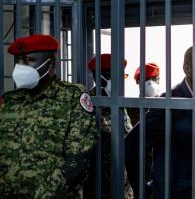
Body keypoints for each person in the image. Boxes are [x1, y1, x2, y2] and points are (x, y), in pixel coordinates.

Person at [0, 34, 97, 198]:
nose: (20, 66)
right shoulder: (10, 101)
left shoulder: (72, 98)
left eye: (28, 60)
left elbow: (77, 162)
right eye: (18, 61)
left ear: (50, 65)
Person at [125, 45, 195, 199]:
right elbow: (132, 146)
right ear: (187, 69)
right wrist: (143, 192)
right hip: (177, 193)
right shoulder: (169, 103)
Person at [83, 53, 133, 199]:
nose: (120, 82)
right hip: (99, 187)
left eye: (122, 77)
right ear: (99, 78)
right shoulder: (89, 104)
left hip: (122, 183)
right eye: (114, 77)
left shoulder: (117, 101)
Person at [128, 62, 160, 126]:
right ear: (138, 82)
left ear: (158, 80)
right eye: (146, 79)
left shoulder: (166, 107)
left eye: (154, 79)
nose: (150, 83)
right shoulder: (130, 110)